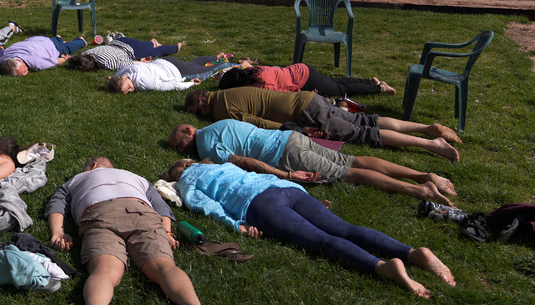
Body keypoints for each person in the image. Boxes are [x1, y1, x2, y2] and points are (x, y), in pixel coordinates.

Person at [165, 159, 457, 298]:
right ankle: (413, 253)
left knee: (321, 241)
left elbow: (206, 205)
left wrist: (236, 223)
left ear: (178, 173)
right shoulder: (222, 164)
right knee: (345, 228)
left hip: (261, 205)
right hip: (286, 189)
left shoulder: (188, 181)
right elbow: (256, 171)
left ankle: (382, 267)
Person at [45, 156, 215, 305]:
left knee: (105, 271)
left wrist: (58, 232)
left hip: (98, 214)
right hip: (141, 211)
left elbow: (56, 205)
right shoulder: (137, 178)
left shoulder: (76, 180)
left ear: (93, 166)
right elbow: (161, 207)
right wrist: (168, 233)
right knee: (164, 267)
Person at [169, 120, 458, 205]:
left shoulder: (206, 144)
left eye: (179, 145)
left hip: (286, 156)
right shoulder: (219, 124)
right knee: (353, 159)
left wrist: (286, 175)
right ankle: (423, 174)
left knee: (351, 173)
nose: (183, 149)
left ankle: (420, 191)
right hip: (292, 139)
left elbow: (245, 161)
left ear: (188, 133)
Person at [184, 87, 462, 160]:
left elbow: (257, 122)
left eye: (198, 112)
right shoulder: (227, 93)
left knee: (364, 134)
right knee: (365, 119)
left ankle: (430, 143)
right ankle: (426, 127)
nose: (201, 117)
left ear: (201, 102)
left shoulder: (221, 109)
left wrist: (294, 129)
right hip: (308, 99)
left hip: (305, 113)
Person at [218, 63, 395, 98]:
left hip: (304, 81)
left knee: (340, 91)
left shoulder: (259, 85)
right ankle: (369, 81)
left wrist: (306, 94)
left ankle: (379, 89)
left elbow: (281, 93)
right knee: (333, 81)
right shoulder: (253, 71)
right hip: (302, 69)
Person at [106, 53, 230, 93]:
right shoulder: (124, 71)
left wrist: (190, 83)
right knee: (193, 64)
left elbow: (169, 86)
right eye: (127, 91)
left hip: (178, 71)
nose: (131, 90)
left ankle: (234, 65)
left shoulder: (142, 83)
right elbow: (115, 76)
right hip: (166, 61)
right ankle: (217, 56)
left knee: (208, 71)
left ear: (124, 79)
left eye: (128, 87)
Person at [68, 36, 185, 72]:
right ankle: (151, 42)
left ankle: (176, 46)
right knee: (145, 46)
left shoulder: (108, 63)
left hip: (133, 50)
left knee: (158, 51)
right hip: (121, 41)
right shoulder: (87, 52)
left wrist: (142, 62)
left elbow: (127, 63)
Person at [0, 35, 86, 76]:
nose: (26, 73)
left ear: (20, 61)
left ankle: (80, 40)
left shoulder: (35, 62)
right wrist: (1, 49)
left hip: (52, 47)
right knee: (56, 39)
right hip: (36, 39)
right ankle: (58, 38)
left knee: (78, 44)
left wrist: (63, 58)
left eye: (24, 70)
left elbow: (56, 62)